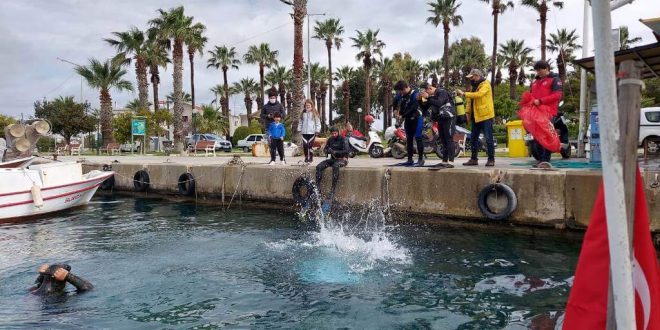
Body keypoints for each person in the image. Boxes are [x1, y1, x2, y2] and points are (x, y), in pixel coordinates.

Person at [457, 69, 496, 167]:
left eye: (472, 77)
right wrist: (467, 112)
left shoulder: (485, 84)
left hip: (486, 116)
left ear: (477, 75)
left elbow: (479, 95)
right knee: (473, 138)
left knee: (488, 138)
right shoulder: (473, 86)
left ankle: (491, 159)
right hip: (476, 117)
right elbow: (470, 101)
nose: (471, 79)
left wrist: (464, 93)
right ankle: (474, 159)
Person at [528, 60, 563, 169]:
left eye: (540, 70)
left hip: (548, 112)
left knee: (546, 135)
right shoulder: (535, 82)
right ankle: (540, 159)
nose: (538, 72)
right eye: (537, 70)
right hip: (536, 112)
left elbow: (557, 95)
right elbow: (531, 95)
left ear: (547, 68)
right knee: (537, 136)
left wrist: (541, 101)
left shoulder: (554, 79)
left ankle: (545, 160)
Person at [420, 82, 456, 168]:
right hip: (440, 119)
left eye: (426, 92)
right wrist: (420, 100)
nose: (426, 94)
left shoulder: (442, 92)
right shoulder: (431, 97)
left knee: (448, 138)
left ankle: (451, 161)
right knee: (443, 139)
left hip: (449, 118)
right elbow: (424, 109)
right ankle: (444, 161)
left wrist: (428, 97)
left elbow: (440, 103)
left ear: (429, 88)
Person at [394, 80, 425, 167]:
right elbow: (395, 100)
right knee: (409, 139)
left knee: (418, 138)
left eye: (400, 91)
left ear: (404, 88)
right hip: (408, 120)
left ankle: (420, 159)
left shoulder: (415, 94)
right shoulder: (402, 95)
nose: (400, 93)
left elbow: (413, 107)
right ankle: (410, 159)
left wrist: (402, 115)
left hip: (417, 118)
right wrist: (395, 111)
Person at [316, 126, 349, 197]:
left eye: (335, 133)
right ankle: (318, 188)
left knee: (335, 166)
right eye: (332, 134)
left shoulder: (343, 139)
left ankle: (333, 189)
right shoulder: (330, 139)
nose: (334, 135)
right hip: (333, 159)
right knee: (319, 167)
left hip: (342, 160)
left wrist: (335, 152)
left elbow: (346, 151)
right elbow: (325, 150)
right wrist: (327, 151)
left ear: (338, 132)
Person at [297, 99, 321, 163]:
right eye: (306, 106)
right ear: (305, 106)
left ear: (312, 106)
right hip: (304, 133)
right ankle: (306, 157)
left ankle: (311, 158)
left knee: (310, 146)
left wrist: (317, 131)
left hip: (312, 133)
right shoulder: (303, 114)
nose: (308, 107)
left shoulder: (314, 113)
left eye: (309, 106)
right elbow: (300, 122)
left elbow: (318, 123)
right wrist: (299, 129)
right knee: (305, 145)